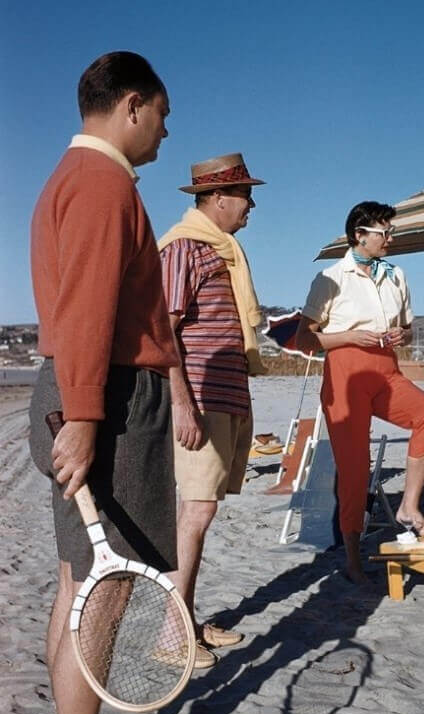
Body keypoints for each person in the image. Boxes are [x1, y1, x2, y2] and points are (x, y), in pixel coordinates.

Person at [28, 51, 178, 714]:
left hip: (91, 392)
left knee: (78, 584)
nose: (163, 130)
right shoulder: (100, 182)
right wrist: (86, 417)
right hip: (109, 399)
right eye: (160, 114)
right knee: (106, 590)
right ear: (131, 104)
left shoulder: (72, 177)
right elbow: (87, 307)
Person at [296, 201, 424, 584]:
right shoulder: (331, 277)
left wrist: (403, 335)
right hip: (346, 373)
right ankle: (351, 557)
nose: (391, 238)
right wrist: (348, 336)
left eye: (391, 231)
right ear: (359, 235)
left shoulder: (397, 276)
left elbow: (409, 329)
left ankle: (409, 508)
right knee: (355, 468)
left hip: (386, 367)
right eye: (384, 232)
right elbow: (303, 339)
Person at [158, 153, 266, 666]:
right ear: (218, 198)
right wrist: (181, 403)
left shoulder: (222, 252)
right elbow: (163, 331)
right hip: (198, 399)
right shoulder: (184, 248)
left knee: (201, 511)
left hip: (222, 397)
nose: (251, 205)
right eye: (245, 195)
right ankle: (171, 637)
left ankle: (185, 620)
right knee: (196, 511)